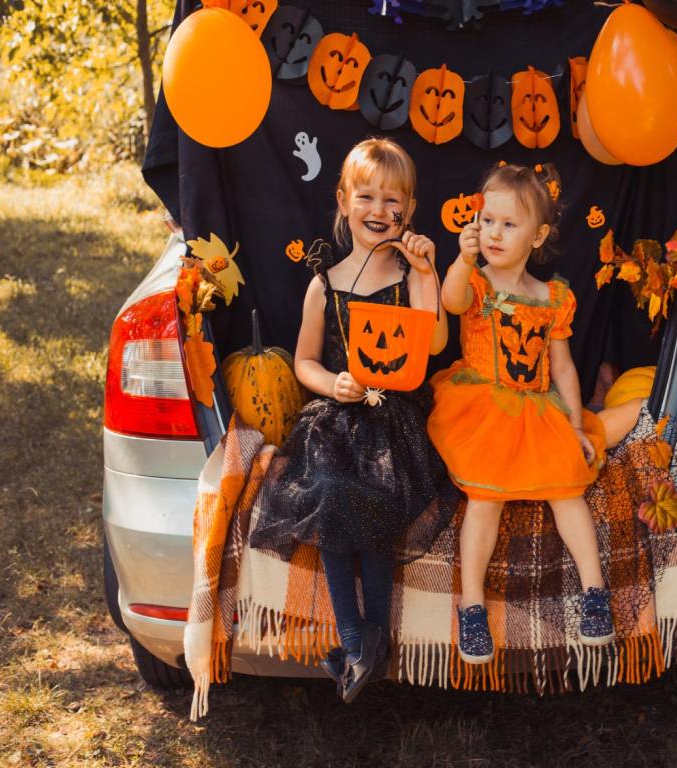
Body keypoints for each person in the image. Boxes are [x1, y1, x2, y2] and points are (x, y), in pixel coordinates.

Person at [250, 138, 457, 701]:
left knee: (377, 508)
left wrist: (427, 274)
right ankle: (359, 638)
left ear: (408, 211)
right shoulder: (324, 285)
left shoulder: (412, 273)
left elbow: (435, 340)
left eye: (393, 200)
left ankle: (360, 647)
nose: (378, 209)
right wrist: (331, 383)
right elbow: (303, 362)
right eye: (365, 195)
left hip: (394, 420)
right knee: (335, 496)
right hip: (337, 422)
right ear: (343, 201)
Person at [427, 162, 614, 665]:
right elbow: (450, 298)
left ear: (539, 235)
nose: (494, 233)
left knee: (566, 488)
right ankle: (472, 605)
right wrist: (462, 262)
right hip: (482, 403)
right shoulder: (479, 285)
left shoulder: (552, 298)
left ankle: (594, 593)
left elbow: (564, 369)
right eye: (488, 221)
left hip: (536, 408)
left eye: (510, 225)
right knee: (485, 499)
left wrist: (575, 425)